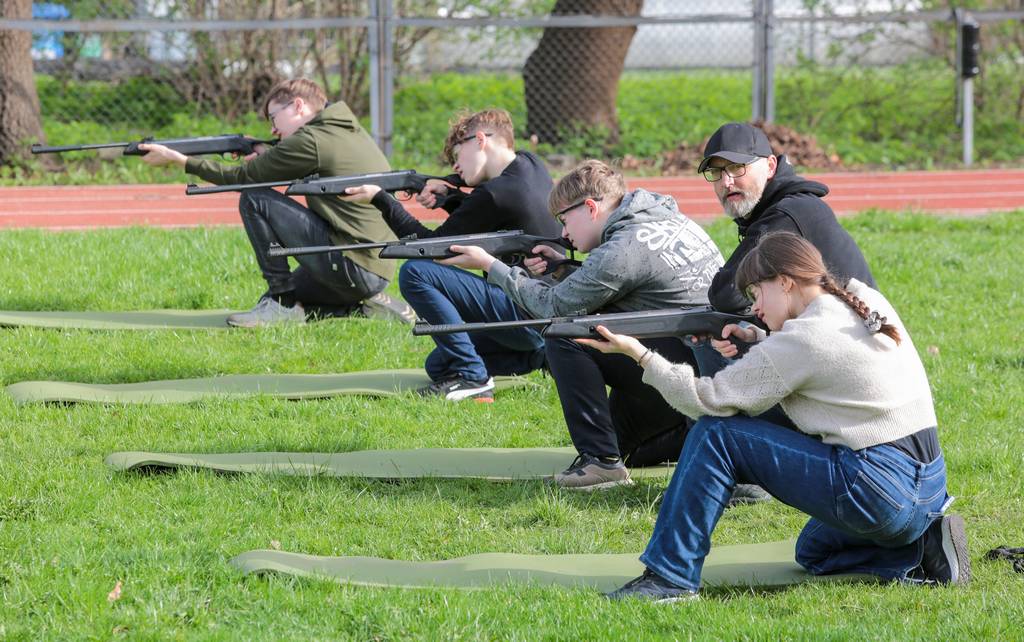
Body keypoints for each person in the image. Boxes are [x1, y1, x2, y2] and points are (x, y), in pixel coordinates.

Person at [577, 231, 968, 602]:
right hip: (926, 486)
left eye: (756, 292)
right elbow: (823, 358)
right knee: (813, 552)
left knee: (717, 434)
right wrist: (763, 341)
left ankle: (670, 578)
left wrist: (638, 354)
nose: (755, 307)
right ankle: (924, 550)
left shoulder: (804, 338)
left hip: (879, 489)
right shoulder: (861, 299)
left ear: (785, 282)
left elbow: (705, 400)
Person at [440, 160, 724, 488]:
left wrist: (491, 266)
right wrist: (561, 267)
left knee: (565, 333)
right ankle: (695, 438)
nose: (563, 233)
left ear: (590, 207)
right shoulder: (666, 218)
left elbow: (555, 307)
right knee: (623, 446)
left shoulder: (622, 249)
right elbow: (627, 288)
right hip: (702, 366)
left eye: (564, 219)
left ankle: (602, 465)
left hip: (681, 366)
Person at [138, 78, 415, 327]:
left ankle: (283, 304)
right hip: (372, 265)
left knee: (255, 199)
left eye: (274, 118)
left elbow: (244, 177)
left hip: (353, 263)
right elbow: (299, 159)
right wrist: (268, 153)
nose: (272, 129)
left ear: (297, 106)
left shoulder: (312, 140)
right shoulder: (343, 129)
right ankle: (361, 306)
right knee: (280, 300)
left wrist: (180, 160)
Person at [342, 109, 561, 401]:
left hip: (526, 312)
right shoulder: (531, 164)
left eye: (458, 155)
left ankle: (474, 378)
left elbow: (427, 247)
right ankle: (542, 357)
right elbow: (486, 214)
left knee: (415, 271)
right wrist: (450, 195)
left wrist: (381, 199)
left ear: (480, 139)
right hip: (547, 314)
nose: (456, 166)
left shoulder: (496, 194)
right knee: (439, 364)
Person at [698, 122, 875, 315]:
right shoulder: (785, 207)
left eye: (736, 167)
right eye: (716, 172)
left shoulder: (787, 214)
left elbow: (726, 295)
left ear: (771, 166)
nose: (726, 182)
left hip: (852, 338)